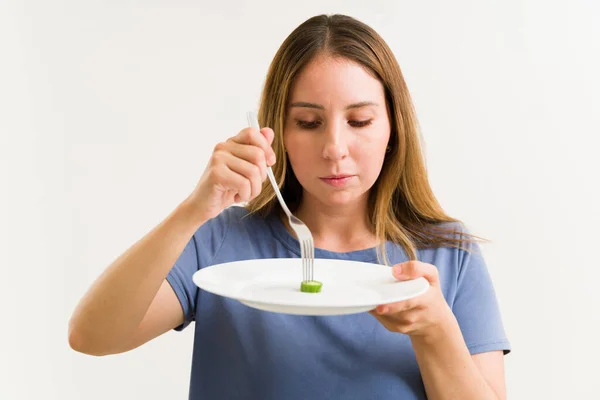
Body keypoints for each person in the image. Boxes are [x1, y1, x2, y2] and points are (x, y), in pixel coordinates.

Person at [68, 14, 511, 400]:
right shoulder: (223, 239)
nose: (335, 148)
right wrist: (194, 208)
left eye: (359, 121)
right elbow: (92, 337)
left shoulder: (449, 254)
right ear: (277, 129)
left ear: (393, 127)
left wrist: (435, 330)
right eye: (308, 123)